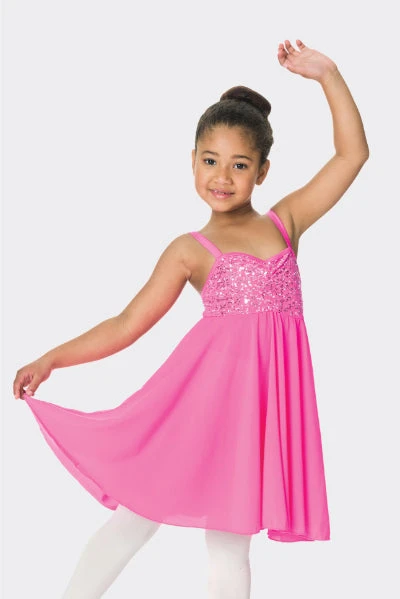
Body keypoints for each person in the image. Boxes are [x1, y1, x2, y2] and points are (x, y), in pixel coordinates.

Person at [13, 38, 369, 599]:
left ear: (263, 172)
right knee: (136, 517)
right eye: (210, 161)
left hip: (256, 415)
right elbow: (126, 323)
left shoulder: (284, 224)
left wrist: (328, 74)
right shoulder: (189, 249)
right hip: (198, 406)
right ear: (193, 161)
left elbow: (352, 156)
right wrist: (52, 358)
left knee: (230, 546)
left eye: (239, 165)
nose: (222, 176)